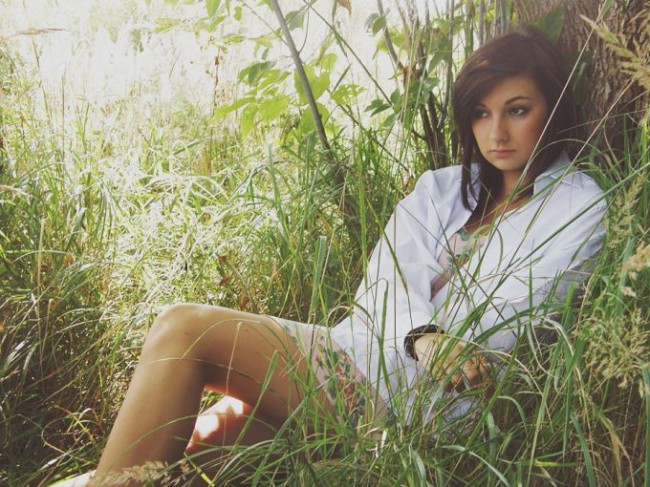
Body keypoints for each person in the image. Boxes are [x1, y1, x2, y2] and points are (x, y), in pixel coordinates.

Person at [56, 25, 606, 486]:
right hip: (362, 357)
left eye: (517, 110)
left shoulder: (578, 205)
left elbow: (518, 319)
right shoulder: (442, 188)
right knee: (184, 455)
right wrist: (422, 335)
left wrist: (434, 345)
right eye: (481, 114)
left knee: (185, 329)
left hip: (425, 407)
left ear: (552, 109)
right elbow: (386, 282)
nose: (496, 132)